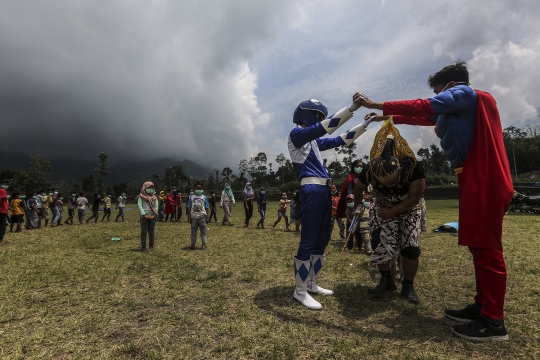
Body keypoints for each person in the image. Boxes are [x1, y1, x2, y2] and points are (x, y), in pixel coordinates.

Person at [356, 61, 512, 341]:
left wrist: (374, 103)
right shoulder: (458, 106)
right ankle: (482, 306)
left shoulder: (465, 93)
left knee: (487, 248)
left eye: (439, 92)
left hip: (484, 176)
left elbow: (425, 107)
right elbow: (425, 118)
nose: (438, 98)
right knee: (478, 246)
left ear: (450, 86)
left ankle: (493, 321)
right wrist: (386, 116)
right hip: (474, 176)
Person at [288, 97, 371, 310]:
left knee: (323, 238)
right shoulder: (297, 134)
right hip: (312, 188)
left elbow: (340, 140)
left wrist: (364, 125)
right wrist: (352, 108)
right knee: (309, 238)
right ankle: (300, 291)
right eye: (317, 116)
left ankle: (312, 283)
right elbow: (327, 128)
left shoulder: (313, 142)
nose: (319, 120)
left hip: (323, 190)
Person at [354, 124, 424, 304]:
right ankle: (386, 279)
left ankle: (408, 286)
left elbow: (415, 196)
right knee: (379, 243)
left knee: (410, 248)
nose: (388, 186)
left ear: (399, 169)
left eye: (392, 181)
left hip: (408, 210)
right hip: (382, 209)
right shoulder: (371, 168)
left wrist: (393, 211)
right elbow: (358, 186)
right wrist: (357, 206)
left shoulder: (412, 165)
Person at [187, 182, 210, 249]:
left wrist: (207, 217)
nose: (199, 190)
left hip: (202, 217)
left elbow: (206, 207)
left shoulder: (204, 197)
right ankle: (193, 244)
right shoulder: (191, 197)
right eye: (198, 188)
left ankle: (204, 244)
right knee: (193, 231)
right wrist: (189, 217)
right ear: (194, 189)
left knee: (203, 231)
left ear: (203, 189)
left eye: (201, 189)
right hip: (193, 217)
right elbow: (189, 207)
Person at [137, 182, 158, 252]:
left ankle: (151, 246)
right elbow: (140, 206)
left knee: (151, 232)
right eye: (149, 188)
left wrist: (154, 215)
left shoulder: (154, 198)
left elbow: (156, 206)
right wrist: (144, 215)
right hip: (144, 217)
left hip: (152, 217)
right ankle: (143, 247)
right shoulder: (141, 197)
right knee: (144, 232)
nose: (151, 189)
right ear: (144, 188)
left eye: (152, 188)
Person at [0, 179, 9, 243]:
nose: (6, 185)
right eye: (5, 183)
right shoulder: (3, 190)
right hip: (2, 210)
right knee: (2, 225)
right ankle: (0, 240)